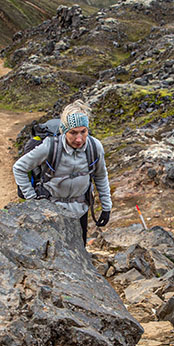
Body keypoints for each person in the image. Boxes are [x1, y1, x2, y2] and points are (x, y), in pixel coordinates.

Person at [12, 100, 111, 243]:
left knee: (79, 252)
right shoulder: (50, 147)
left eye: (83, 132)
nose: (79, 139)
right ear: (64, 131)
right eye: (73, 133)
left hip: (80, 212)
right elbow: (19, 168)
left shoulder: (95, 147)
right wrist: (32, 200)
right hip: (51, 212)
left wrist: (106, 207)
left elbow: (101, 176)